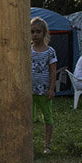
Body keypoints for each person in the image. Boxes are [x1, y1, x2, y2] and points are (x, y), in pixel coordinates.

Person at [31, 16, 58, 154]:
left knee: (47, 117)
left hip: (44, 91)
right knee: (28, 118)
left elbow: (53, 71)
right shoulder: (27, 51)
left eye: (38, 31)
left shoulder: (50, 51)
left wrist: (51, 89)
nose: (35, 35)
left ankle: (47, 145)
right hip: (30, 91)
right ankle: (28, 143)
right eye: (32, 32)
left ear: (44, 33)